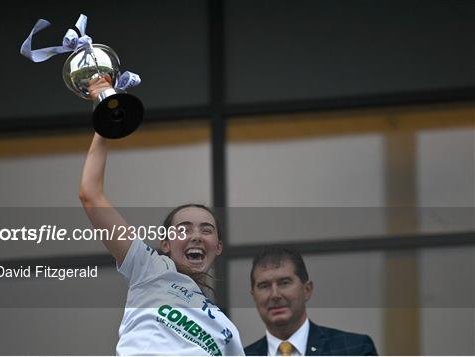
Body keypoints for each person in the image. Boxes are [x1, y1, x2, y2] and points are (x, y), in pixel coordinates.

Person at [79, 76, 245, 356]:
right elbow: (91, 195)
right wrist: (105, 117)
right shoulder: (149, 268)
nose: (195, 235)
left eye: (206, 230)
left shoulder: (228, 331)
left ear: (218, 247)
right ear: (165, 244)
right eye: (184, 229)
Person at [244, 247, 377, 356]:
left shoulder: (354, 349)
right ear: (254, 296)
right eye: (264, 286)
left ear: (307, 290)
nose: (275, 295)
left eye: (284, 283)